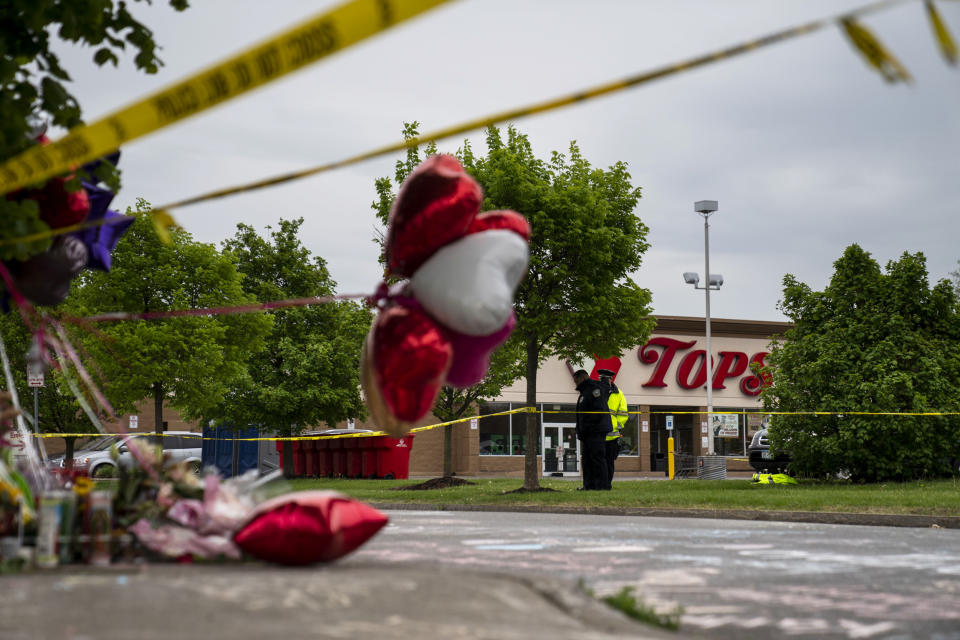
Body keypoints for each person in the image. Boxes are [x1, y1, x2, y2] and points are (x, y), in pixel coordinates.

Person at [573, 369, 611, 490]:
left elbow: (598, 411)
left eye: (577, 380)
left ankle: (602, 486)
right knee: (587, 461)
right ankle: (589, 486)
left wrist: (587, 427)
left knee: (597, 458)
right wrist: (580, 429)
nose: (576, 383)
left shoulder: (595, 389)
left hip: (595, 431)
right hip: (587, 433)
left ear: (583, 378)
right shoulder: (584, 392)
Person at [598, 368, 628, 486]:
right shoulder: (596, 391)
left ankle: (607, 484)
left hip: (612, 436)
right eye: (601, 379)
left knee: (609, 462)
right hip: (599, 435)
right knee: (599, 462)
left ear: (611, 380)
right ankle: (599, 484)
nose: (603, 381)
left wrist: (616, 427)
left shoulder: (618, 394)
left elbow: (623, 413)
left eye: (605, 379)